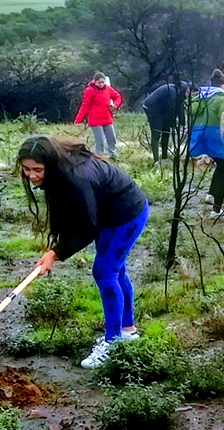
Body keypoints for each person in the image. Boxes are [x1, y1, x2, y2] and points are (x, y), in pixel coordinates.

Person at [17, 135, 149, 369]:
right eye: (26, 169)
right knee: (114, 272)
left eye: (37, 169)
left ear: (51, 163)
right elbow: (81, 217)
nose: (32, 176)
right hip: (106, 214)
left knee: (105, 272)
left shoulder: (77, 178)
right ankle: (127, 330)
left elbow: (87, 228)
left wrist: (55, 253)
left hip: (126, 214)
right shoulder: (60, 172)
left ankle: (113, 342)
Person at [189, 70, 224, 217]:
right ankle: (217, 210)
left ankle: (211, 194)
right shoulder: (222, 99)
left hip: (200, 134)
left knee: (219, 165)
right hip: (216, 137)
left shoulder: (199, 97)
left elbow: (190, 110)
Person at [73, 71, 123, 158]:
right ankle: (99, 157)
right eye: (99, 82)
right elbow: (85, 106)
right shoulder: (89, 91)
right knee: (100, 141)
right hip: (95, 120)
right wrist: (78, 119)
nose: (101, 84)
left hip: (107, 118)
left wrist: (115, 105)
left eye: (103, 82)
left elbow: (117, 96)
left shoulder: (108, 88)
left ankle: (112, 155)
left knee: (112, 138)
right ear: (95, 81)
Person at [142, 81, 190, 163]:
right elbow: (170, 111)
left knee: (166, 131)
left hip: (161, 109)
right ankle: (156, 160)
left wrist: (183, 125)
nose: (189, 95)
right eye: (188, 92)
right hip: (152, 108)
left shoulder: (179, 94)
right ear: (184, 90)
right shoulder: (173, 94)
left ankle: (164, 157)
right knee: (157, 132)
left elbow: (180, 110)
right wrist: (173, 124)